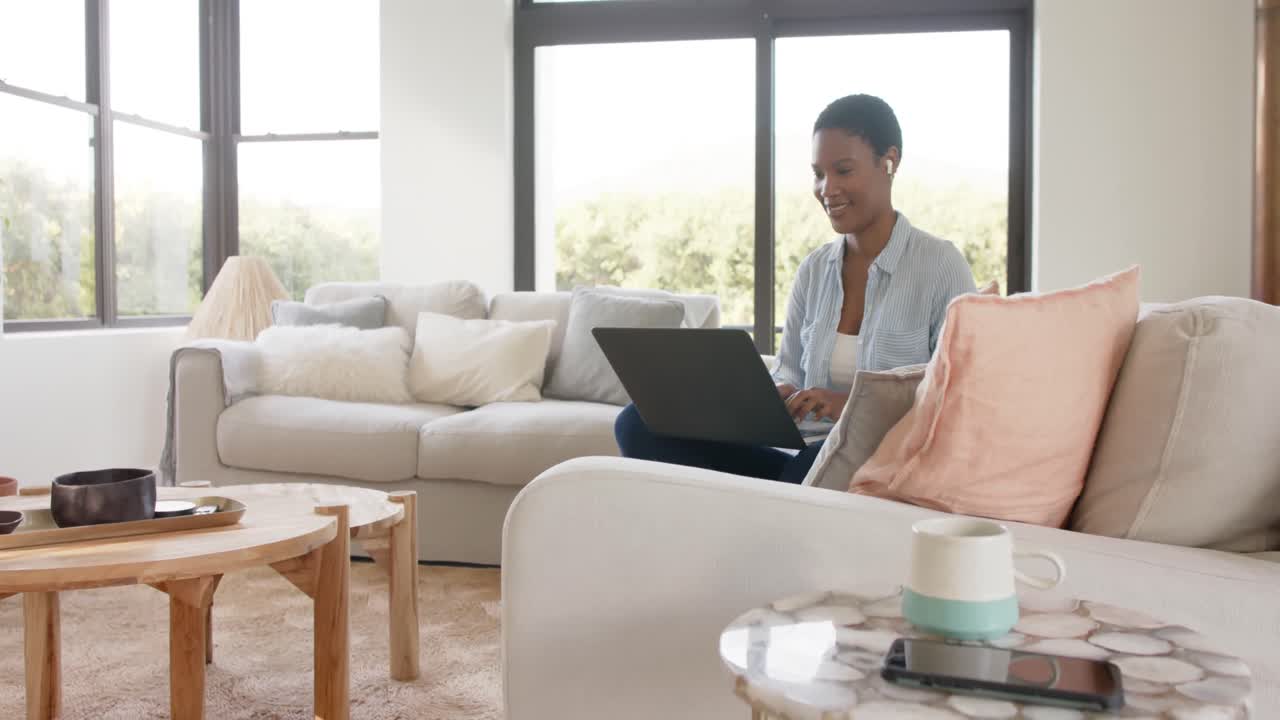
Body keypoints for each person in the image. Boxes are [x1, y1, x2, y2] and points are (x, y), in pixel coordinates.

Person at [615, 93, 977, 484]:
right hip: (803, 457)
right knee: (637, 422)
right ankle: (766, 504)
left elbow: (954, 395)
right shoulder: (815, 270)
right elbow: (788, 368)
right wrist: (777, 395)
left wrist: (847, 406)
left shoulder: (941, 265)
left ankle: (757, 508)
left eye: (843, 170)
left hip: (879, 457)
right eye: (818, 174)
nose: (827, 189)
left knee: (815, 461)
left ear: (889, 161)